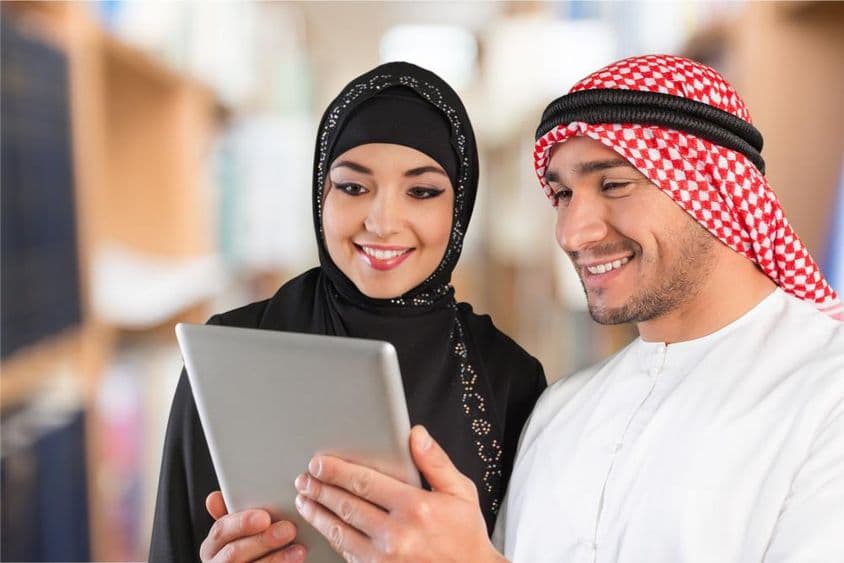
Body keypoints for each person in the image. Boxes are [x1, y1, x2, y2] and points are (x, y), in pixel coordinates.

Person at [293, 55, 844, 562]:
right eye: (561, 195)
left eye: (614, 184)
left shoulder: (825, 396)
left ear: (714, 190)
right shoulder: (560, 412)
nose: (573, 232)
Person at [147, 61, 546, 563]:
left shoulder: (509, 378)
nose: (382, 222)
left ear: (459, 206)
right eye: (354, 187)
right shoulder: (227, 353)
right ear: (321, 195)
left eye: (421, 191)